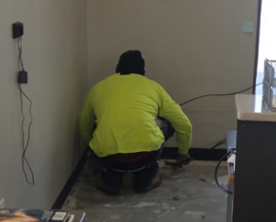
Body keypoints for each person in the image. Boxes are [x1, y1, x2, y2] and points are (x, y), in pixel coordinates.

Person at [78, 50, 192, 195]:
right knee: (166, 123)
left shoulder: (98, 87)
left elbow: (83, 128)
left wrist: (97, 150)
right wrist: (182, 153)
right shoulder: (154, 87)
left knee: (97, 126)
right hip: (146, 155)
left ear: (117, 67)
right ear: (142, 70)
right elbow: (184, 124)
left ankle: (109, 180)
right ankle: (146, 178)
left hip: (110, 158)